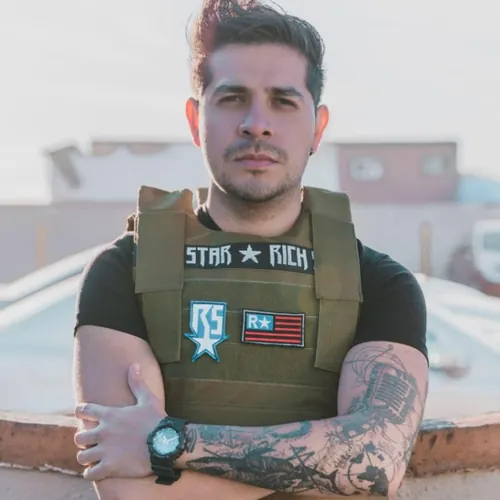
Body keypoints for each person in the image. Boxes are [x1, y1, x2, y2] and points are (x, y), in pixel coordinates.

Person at [72, 1, 428, 499]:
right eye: (233, 98)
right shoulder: (125, 269)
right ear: (195, 120)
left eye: (283, 101)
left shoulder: (379, 284)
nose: (257, 124)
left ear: (318, 127)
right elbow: (135, 494)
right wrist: (317, 462)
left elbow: (373, 463)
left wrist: (168, 442)